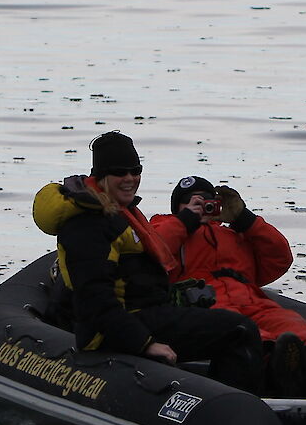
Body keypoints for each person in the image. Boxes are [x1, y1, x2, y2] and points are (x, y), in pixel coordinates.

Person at [31, 131, 264, 393]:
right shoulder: (88, 224)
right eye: (120, 172)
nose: (130, 179)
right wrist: (145, 343)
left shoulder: (120, 212)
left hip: (143, 315)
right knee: (239, 330)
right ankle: (229, 407)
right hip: (114, 329)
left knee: (229, 323)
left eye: (135, 170)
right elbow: (94, 300)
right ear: (101, 177)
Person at [148, 176, 306, 396]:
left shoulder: (235, 234)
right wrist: (186, 220)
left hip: (251, 300)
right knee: (250, 334)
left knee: (290, 323)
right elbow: (155, 249)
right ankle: (275, 360)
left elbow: (280, 258)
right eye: (192, 201)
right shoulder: (166, 227)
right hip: (206, 304)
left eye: (208, 201)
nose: (202, 206)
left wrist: (244, 219)